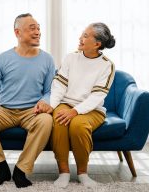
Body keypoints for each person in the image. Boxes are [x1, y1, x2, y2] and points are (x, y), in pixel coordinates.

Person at [0, 13, 55, 188]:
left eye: (39, 28)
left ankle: (21, 170)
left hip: (32, 111)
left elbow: (49, 91)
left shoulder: (47, 59)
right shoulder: (2, 59)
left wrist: (45, 101)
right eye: (32, 28)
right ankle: (1, 169)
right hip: (4, 110)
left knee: (46, 121)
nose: (38, 32)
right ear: (17, 32)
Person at [49, 22, 116, 188]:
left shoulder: (107, 65)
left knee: (78, 126)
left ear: (97, 44)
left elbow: (97, 96)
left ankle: (82, 173)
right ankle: (63, 172)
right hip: (65, 103)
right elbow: (59, 85)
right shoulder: (71, 57)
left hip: (92, 109)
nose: (80, 38)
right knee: (59, 120)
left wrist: (75, 112)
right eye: (82, 34)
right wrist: (52, 106)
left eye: (86, 36)